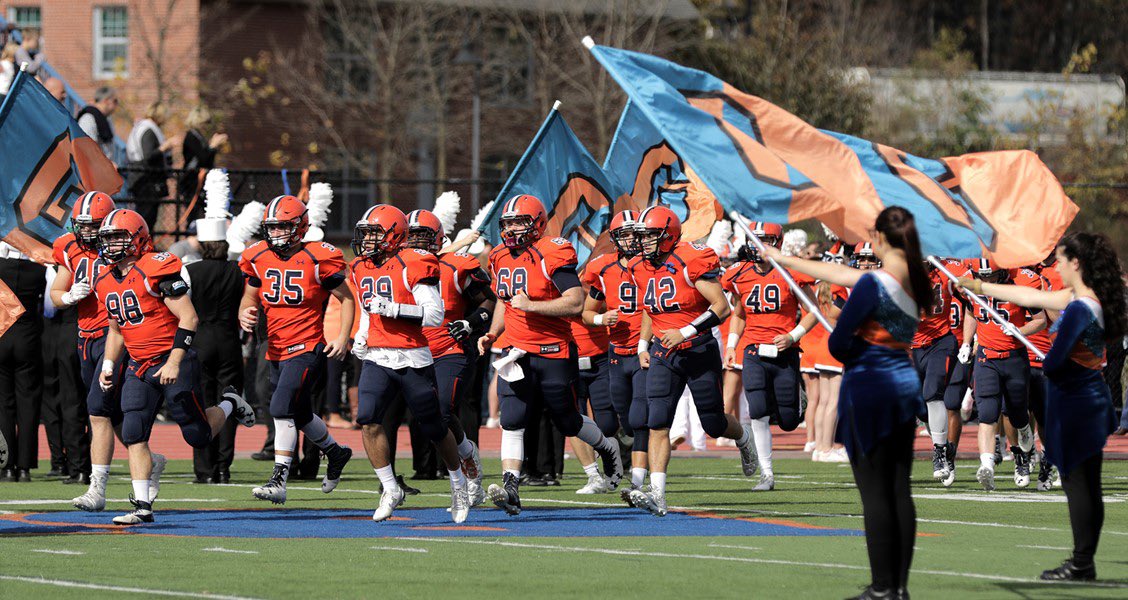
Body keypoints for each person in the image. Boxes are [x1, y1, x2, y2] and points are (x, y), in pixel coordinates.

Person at [765, 206, 931, 599]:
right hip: (903, 381)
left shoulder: (875, 284)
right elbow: (841, 275)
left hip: (872, 384)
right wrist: (783, 259)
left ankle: (881, 587)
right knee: (898, 489)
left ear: (880, 238)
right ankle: (900, 587)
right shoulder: (913, 278)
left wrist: (857, 348)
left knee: (874, 492)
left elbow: (840, 342)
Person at [956, 232, 1126, 582]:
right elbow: (1029, 295)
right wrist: (981, 287)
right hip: (1088, 399)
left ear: (1076, 263)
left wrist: (1044, 362)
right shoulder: (1084, 297)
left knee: (1080, 487)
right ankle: (1084, 560)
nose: (1057, 266)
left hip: (1078, 402)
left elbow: (1055, 360)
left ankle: (1081, 562)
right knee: (1086, 485)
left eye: (1062, 259)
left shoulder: (1080, 307)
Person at [92, 209, 255, 524]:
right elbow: (116, 328)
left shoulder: (157, 268)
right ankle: (142, 506)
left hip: (173, 359)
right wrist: (109, 363)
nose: (111, 244)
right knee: (133, 430)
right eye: (108, 238)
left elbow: (189, 317)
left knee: (197, 435)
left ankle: (230, 403)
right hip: (139, 365)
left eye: (118, 237)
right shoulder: (104, 280)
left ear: (138, 239)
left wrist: (175, 361)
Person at [477, 194, 622, 516]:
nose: (512, 228)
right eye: (508, 222)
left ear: (538, 224)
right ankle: (511, 487)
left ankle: (607, 448)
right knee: (511, 420)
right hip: (515, 351)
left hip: (554, 351)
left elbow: (574, 302)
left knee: (568, 421)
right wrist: (493, 333)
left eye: (519, 222)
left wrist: (534, 306)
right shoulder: (499, 256)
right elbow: (505, 299)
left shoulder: (551, 251)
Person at [624, 205, 757, 516]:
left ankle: (743, 436)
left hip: (697, 350)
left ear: (668, 236)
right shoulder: (640, 266)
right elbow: (650, 307)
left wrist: (684, 331)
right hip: (662, 353)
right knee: (657, 421)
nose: (643, 243)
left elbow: (721, 307)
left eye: (649, 236)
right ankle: (657, 494)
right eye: (641, 237)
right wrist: (643, 343)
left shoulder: (689, 259)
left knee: (713, 423)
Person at [349, 204, 472, 522]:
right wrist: (361, 336)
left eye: (374, 233)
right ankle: (390, 488)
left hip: (412, 356)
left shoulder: (415, 262)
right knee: (368, 419)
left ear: (394, 235)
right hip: (377, 355)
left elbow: (434, 315)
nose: (367, 240)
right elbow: (366, 308)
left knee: (434, 426)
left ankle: (458, 482)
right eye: (366, 233)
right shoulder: (361, 267)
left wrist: (392, 309)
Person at [239, 195, 354, 505]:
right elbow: (249, 296)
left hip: (307, 345)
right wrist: (244, 311)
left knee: (280, 407)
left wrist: (342, 336)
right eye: (272, 228)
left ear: (300, 227)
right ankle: (335, 451)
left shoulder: (318, 258)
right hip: (275, 346)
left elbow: (347, 298)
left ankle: (279, 479)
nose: (275, 234)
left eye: (282, 227)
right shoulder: (258, 256)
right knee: (300, 413)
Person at [405, 208, 493, 504]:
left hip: (449, 350)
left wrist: (472, 322)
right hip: (411, 351)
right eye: (410, 235)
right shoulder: (393, 267)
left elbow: (489, 302)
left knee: (441, 412)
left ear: (437, 239)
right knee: (425, 417)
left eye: (421, 236)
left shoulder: (458, 265)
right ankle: (468, 454)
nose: (415, 242)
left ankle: (466, 473)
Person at [721, 222, 812, 492]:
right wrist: (731, 346)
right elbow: (738, 314)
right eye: (754, 240)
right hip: (752, 351)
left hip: (785, 351)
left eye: (764, 240)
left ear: (777, 243)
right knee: (757, 411)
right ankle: (767, 473)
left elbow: (813, 312)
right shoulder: (739, 273)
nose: (757, 246)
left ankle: (797, 400)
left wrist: (792, 337)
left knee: (788, 421)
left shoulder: (791, 271)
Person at [54, 193, 129, 509]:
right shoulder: (68, 247)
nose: (86, 232)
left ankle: (97, 489)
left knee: (97, 410)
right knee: (110, 414)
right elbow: (55, 294)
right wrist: (71, 296)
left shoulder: (122, 246)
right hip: (84, 337)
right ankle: (150, 459)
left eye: (93, 226)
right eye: (82, 225)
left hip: (113, 335)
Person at [581, 210, 651, 503]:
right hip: (616, 351)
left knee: (641, 417)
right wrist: (600, 320)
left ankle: (642, 479)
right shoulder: (603, 267)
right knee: (619, 416)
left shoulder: (654, 265)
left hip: (646, 349)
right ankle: (623, 471)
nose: (631, 240)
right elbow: (587, 311)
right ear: (615, 238)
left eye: (636, 234)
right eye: (625, 234)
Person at [966, 259, 1040, 491]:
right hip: (987, 357)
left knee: (1017, 413)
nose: (985, 281)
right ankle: (986, 464)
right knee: (987, 413)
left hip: (1014, 357)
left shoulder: (1021, 284)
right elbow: (970, 312)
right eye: (982, 276)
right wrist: (968, 342)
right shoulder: (973, 285)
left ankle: (1022, 450)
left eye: (990, 276)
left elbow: (1040, 320)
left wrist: (1020, 331)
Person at [184, 220, 244, 484]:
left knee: (201, 403)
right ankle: (223, 467)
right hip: (230, 342)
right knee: (229, 403)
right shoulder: (238, 271)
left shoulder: (189, 270)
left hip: (199, 343)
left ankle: (205, 469)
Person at [0, 240, 46, 482]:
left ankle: (6, 466)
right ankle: (25, 467)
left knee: (4, 405)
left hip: (2, 334)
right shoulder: (38, 271)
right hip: (28, 339)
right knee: (28, 405)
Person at [126, 102, 178, 230]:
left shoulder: (142, 127)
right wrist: (165, 147)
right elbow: (148, 156)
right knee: (146, 218)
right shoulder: (148, 130)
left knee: (148, 218)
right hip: (146, 182)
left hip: (142, 179)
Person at [179, 105, 228, 220]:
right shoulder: (191, 136)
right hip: (193, 182)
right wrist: (213, 146)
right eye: (205, 123)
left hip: (200, 181)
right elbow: (202, 158)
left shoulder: (199, 137)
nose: (207, 126)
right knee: (193, 215)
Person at [77, 86, 119, 161]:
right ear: (106, 101)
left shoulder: (107, 118)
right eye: (115, 101)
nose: (117, 104)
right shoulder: (88, 118)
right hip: (94, 168)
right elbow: (87, 148)